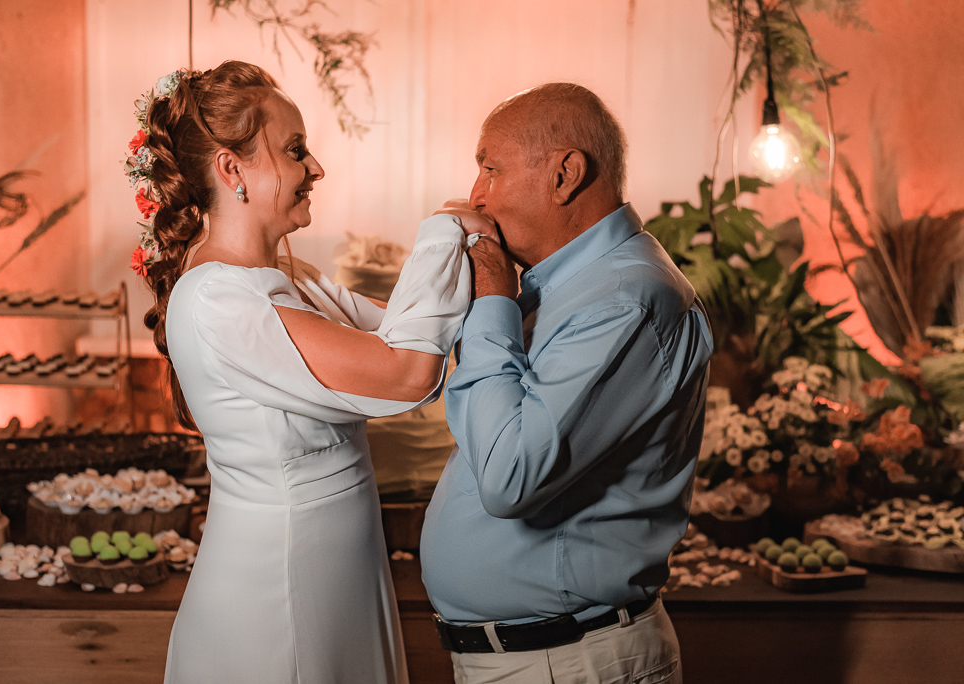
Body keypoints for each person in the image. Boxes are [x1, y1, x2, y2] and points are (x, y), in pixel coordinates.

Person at [131, 61, 482, 683]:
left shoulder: (290, 280)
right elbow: (405, 373)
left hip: (336, 576)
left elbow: (410, 330)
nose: (315, 168)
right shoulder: (218, 300)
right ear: (232, 169)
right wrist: (443, 230)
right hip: (277, 594)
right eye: (295, 150)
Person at [420, 83, 714, 683]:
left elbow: (510, 476)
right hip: (544, 659)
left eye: (491, 169)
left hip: (571, 661)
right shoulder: (567, 288)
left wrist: (493, 299)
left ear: (565, 175)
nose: (476, 195)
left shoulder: (627, 299)